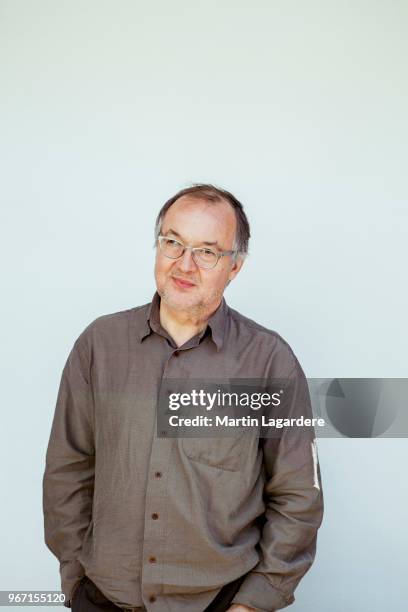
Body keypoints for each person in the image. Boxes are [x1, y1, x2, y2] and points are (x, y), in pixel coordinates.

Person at [42, 184, 324, 612]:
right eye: (173, 242)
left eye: (207, 251)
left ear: (235, 267)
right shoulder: (99, 344)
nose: (185, 264)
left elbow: (298, 494)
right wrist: (74, 578)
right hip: (101, 597)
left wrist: (251, 604)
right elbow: (69, 467)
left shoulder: (269, 360)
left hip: (218, 603)